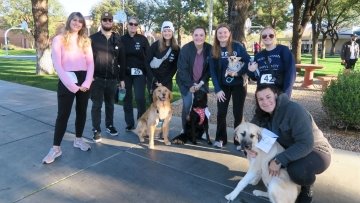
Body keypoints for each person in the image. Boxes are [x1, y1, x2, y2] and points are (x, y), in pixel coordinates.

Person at [249, 84, 332, 203]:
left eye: (268, 97)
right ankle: (286, 183)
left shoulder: (293, 110)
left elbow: (306, 144)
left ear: (276, 95)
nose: (265, 102)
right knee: (261, 159)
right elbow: (249, 130)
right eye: (260, 99)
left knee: (297, 171)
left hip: (316, 151)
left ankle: (307, 186)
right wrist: (248, 148)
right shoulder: (261, 115)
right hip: (289, 150)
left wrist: (279, 160)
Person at [42, 12, 94, 164]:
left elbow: (91, 63)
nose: (77, 23)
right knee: (63, 114)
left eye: (80, 21)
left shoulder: (85, 41)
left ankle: (78, 140)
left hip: (84, 79)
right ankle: (56, 148)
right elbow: (57, 64)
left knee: (81, 112)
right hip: (67, 80)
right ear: (69, 21)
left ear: (83, 24)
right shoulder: (59, 39)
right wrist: (72, 86)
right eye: (74, 20)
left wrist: (86, 83)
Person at [209, 23, 251, 148]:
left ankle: (239, 141)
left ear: (229, 34)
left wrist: (238, 73)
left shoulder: (237, 46)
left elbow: (248, 62)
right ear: (216, 35)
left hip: (238, 85)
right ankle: (221, 138)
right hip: (223, 86)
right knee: (221, 113)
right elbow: (212, 71)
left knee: (238, 113)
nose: (222, 35)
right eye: (219, 33)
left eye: (225, 32)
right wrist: (217, 89)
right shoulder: (214, 50)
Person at [90, 12, 126, 142]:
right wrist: (90, 76)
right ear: (101, 21)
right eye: (104, 19)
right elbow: (87, 59)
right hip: (97, 79)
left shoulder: (117, 39)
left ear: (112, 22)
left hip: (112, 80)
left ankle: (109, 126)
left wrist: (122, 79)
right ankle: (96, 129)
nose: (107, 22)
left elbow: (122, 60)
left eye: (109, 20)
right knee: (97, 105)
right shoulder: (92, 38)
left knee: (110, 105)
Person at [176, 26, 212, 132]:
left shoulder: (210, 49)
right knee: (187, 105)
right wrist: (190, 85)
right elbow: (182, 69)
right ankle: (185, 129)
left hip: (201, 82)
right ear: (192, 36)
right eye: (196, 35)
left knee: (203, 106)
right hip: (186, 82)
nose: (198, 37)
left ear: (205, 36)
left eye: (201, 35)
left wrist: (201, 83)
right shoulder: (186, 49)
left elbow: (210, 69)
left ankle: (203, 130)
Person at [248, 26, 296, 97]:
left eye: (271, 35)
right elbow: (255, 78)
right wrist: (250, 70)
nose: (267, 37)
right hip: (262, 94)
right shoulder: (258, 55)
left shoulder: (283, 50)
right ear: (261, 38)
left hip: (278, 92)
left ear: (275, 37)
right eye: (264, 36)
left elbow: (291, 73)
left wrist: (286, 94)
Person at [120, 16, 150, 131]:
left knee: (140, 98)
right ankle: (129, 123)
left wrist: (148, 74)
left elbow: (148, 57)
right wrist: (120, 77)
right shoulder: (121, 39)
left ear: (138, 26)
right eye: (131, 24)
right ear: (127, 25)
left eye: (135, 24)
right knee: (127, 98)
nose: (133, 26)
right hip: (126, 73)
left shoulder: (142, 39)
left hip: (139, 73)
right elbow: (119, 58)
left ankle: (140, 122)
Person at [146, 21, 179, 92]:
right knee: (154, 102)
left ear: (172, 32)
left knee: (166, 102)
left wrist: (164, 81)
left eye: (169, 31)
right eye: (165, 31)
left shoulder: (176, 49)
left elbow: (174, 67)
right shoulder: (155, 45)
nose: (167, 33)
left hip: (166, 81)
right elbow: (146, 63)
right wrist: (153, 79)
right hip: (153, 80)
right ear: (162, 32)